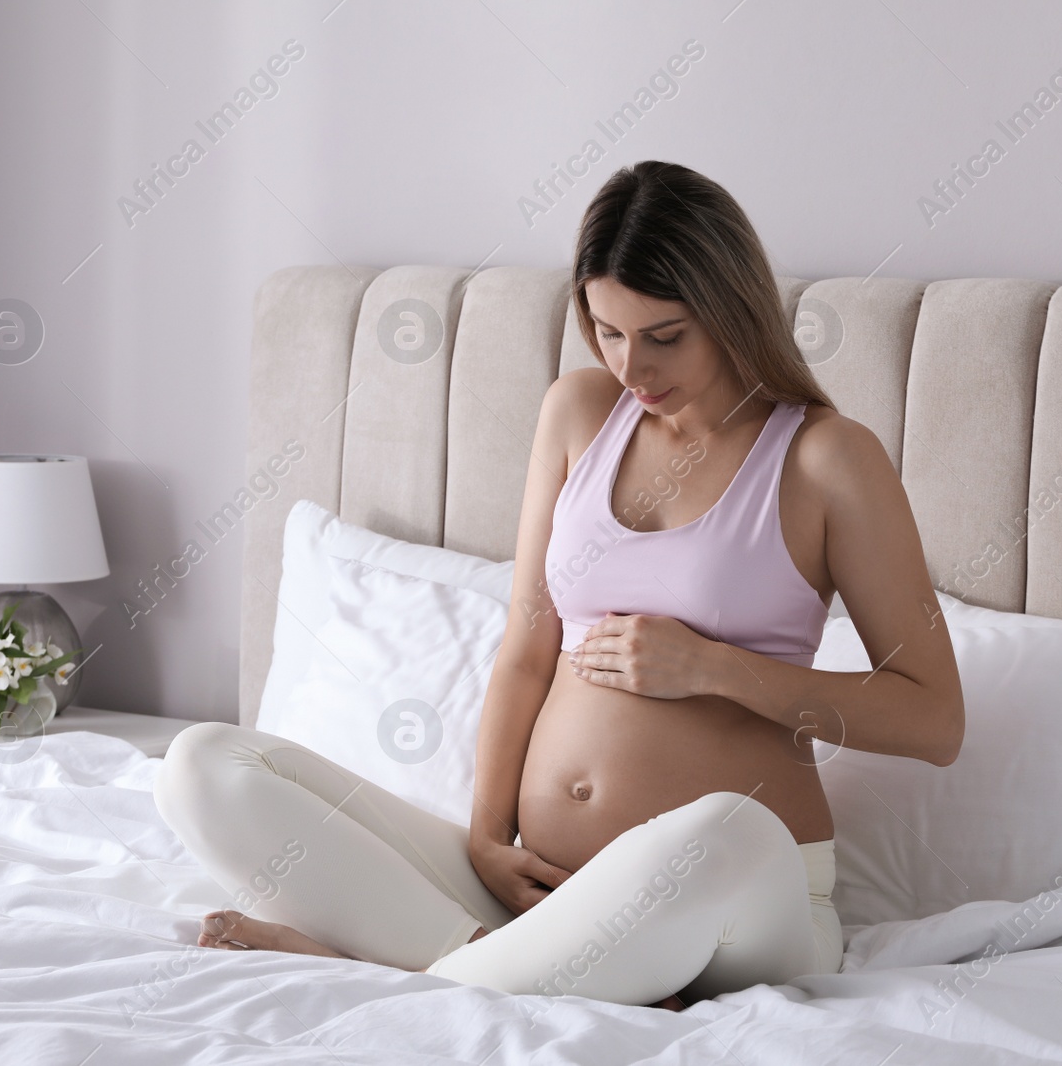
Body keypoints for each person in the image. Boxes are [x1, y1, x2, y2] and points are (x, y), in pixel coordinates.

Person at [154, 159, 964, 1010]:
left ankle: (392, 971)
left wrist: (717, 668)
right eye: (607, 331)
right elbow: (526, 649)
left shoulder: (828, 459)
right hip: (540, 886)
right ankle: (480, 961)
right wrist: (485, 836)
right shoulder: (580, 413)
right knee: (200, 764)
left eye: (664, 335)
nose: (632, 368)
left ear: (732, 311)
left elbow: (933, 718)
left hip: (738, 896)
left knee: (724, 831)